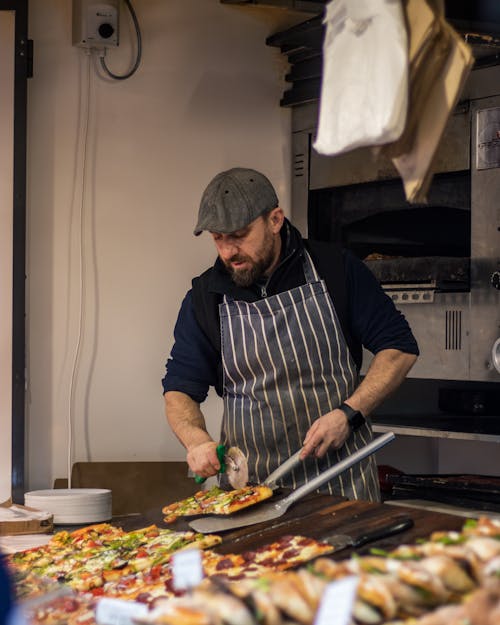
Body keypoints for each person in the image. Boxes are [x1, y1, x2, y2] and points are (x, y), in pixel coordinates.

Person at [162, 167, 418, 501]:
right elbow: (179, 389)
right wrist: (197, 442)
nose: (228, 252)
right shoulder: (205, 298)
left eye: (239, 235)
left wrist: (349, 414)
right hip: (251, 493)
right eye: (218, 238)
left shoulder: (335, 269)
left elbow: (398, 348)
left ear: (275, 220)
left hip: (341, 486)